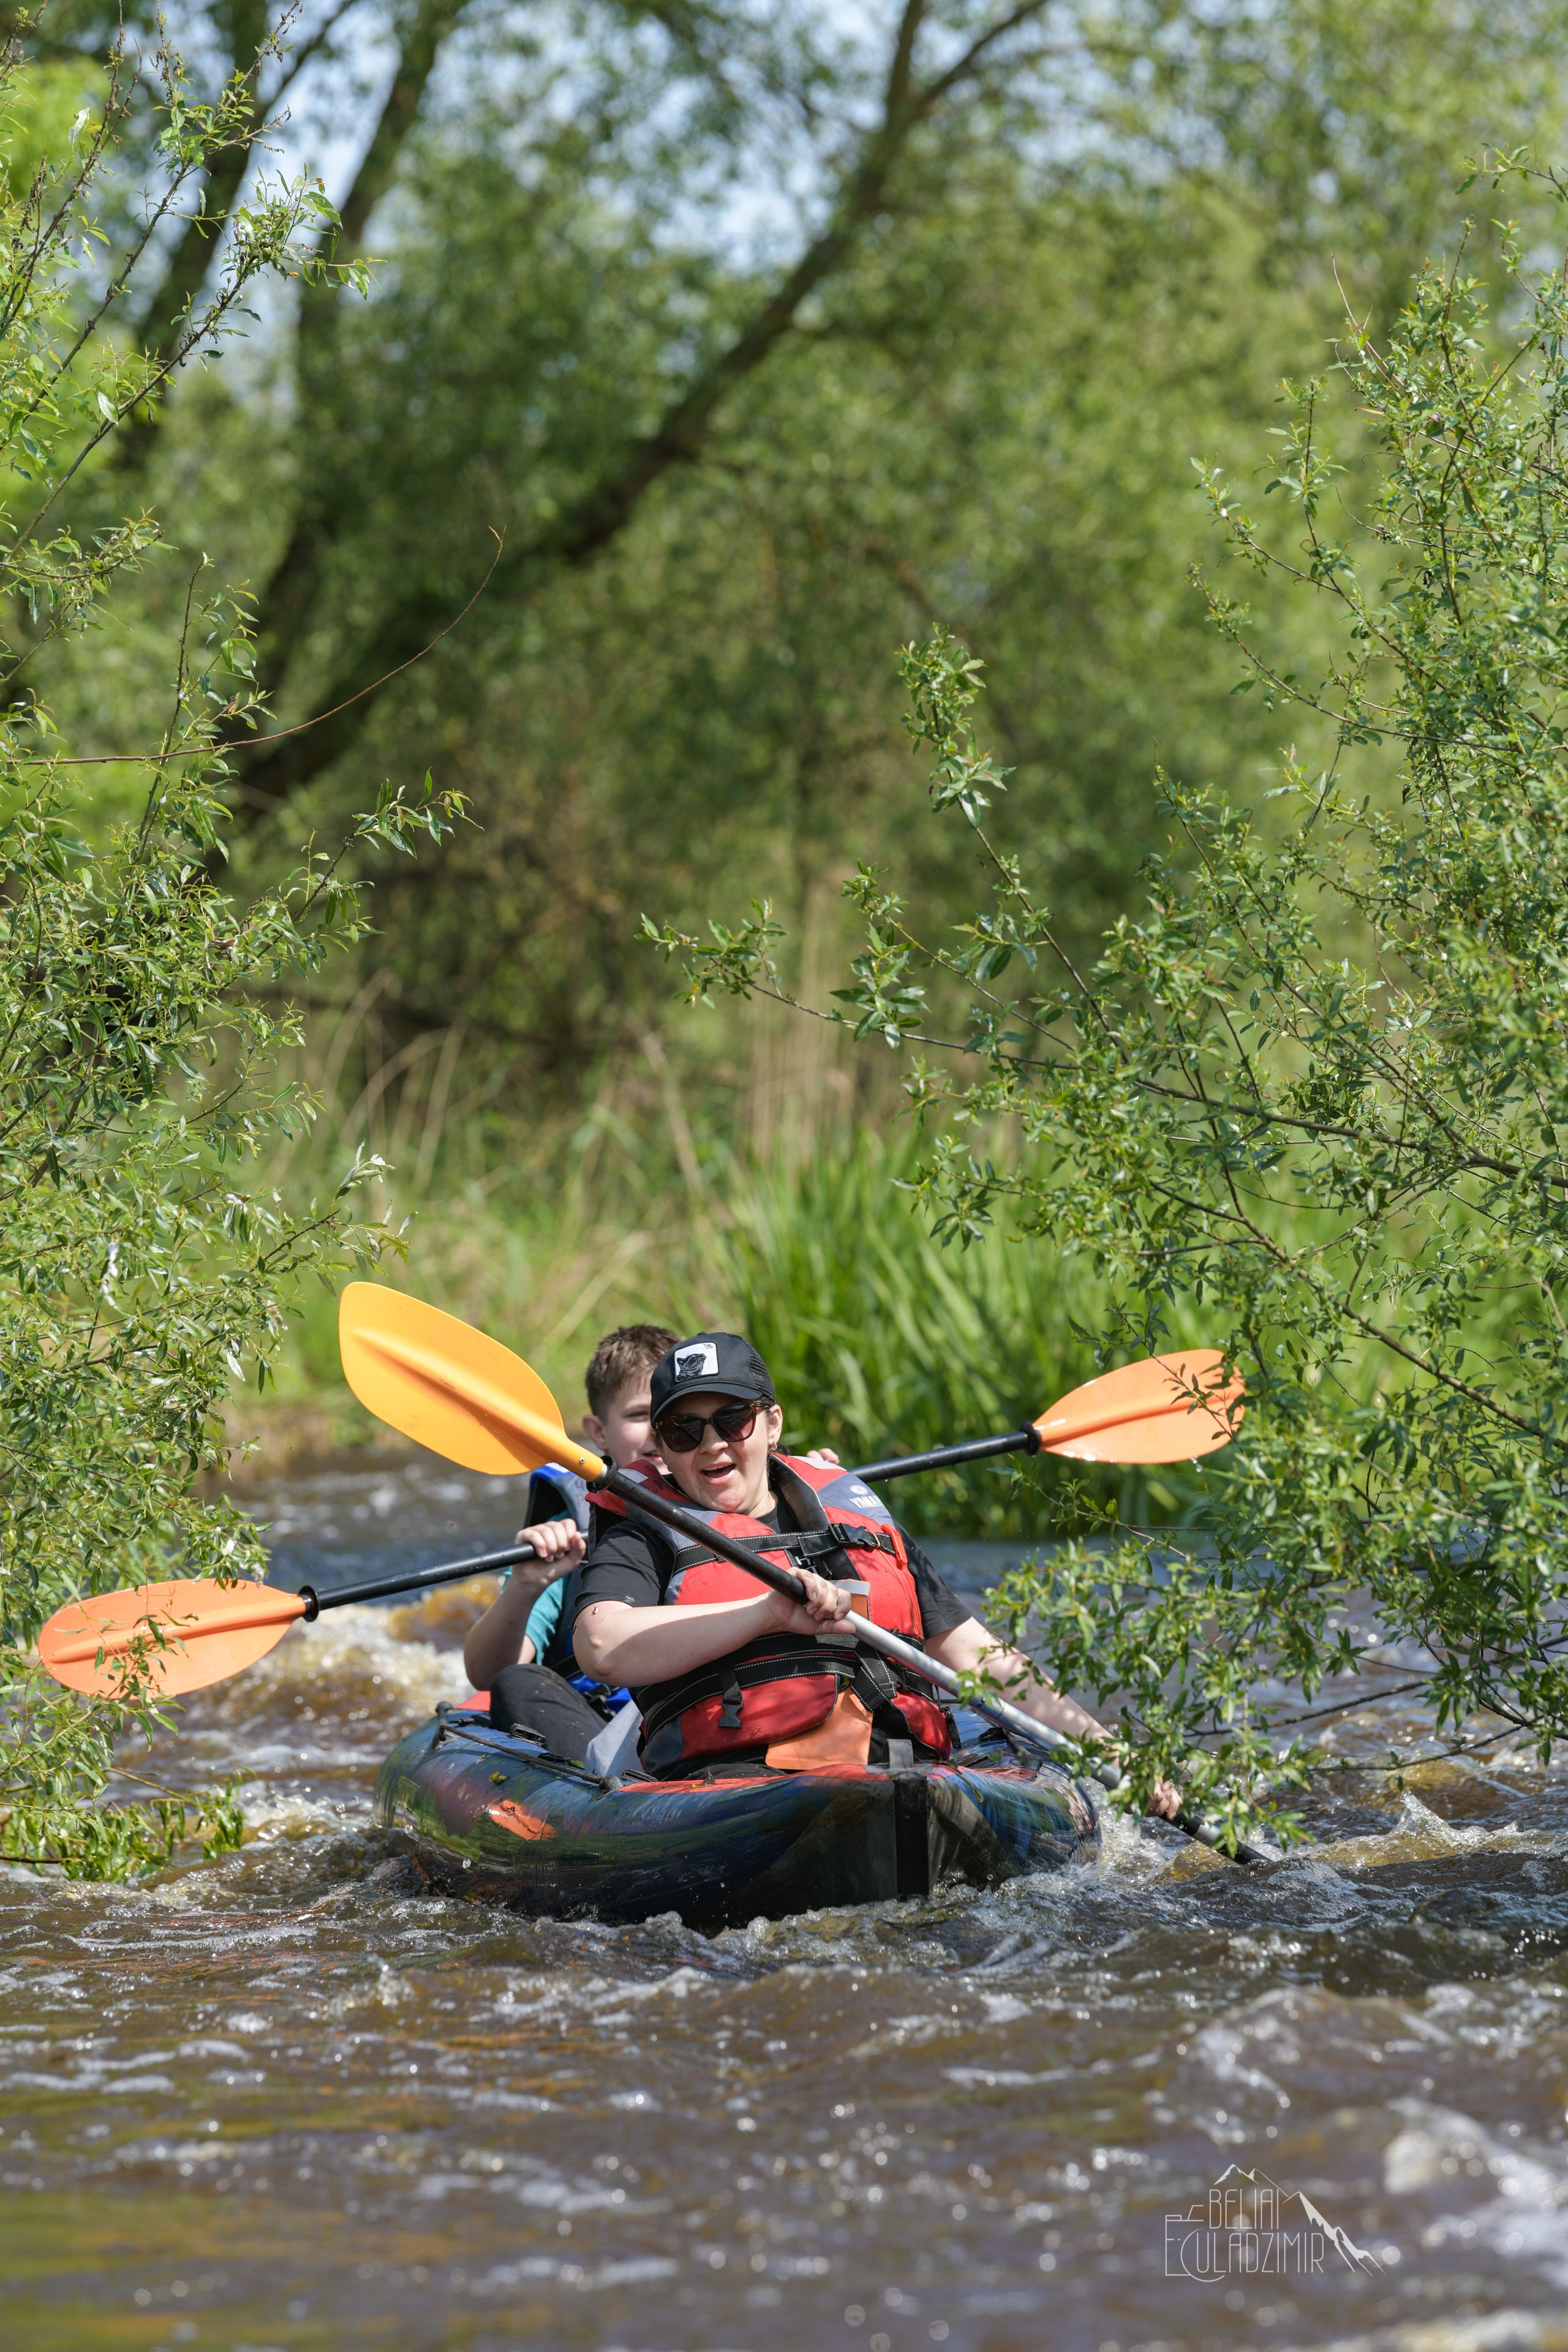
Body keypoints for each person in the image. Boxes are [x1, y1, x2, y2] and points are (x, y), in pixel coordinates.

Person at [570, 1332, 1181, 1814]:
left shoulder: (860, 1519)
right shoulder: (642, 1529)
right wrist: (767, 1615)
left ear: (772, 1425)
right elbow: (602, 1646)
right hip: (737, 1785)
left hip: (897, 1768)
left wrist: (1108, 1750)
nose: (711, 1445)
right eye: (684, 1430)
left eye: (732, 1420)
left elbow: (979, 1656)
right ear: (664, 1447)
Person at [462, 1324, 677, 1747]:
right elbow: (487, 1675)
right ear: (598, 1432)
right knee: (517, 1683)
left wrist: (809, 1492)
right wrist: (526, 1585)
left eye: (672, 1414)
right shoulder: (568, 1530)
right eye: (638, 1415)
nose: (658, 1429)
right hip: (601, 1727)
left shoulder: (741, 1494)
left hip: (704, 1711)